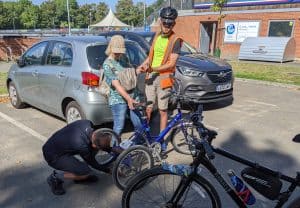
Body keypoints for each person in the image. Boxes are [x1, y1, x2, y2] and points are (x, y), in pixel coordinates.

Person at [42, 120, 119, 195]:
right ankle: (55, 177)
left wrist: (111, 149)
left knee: (90, 155)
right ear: (94, 145)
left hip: (58, 145)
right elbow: (92, 163)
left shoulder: (87, 123)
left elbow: (100, 145)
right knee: (85, 171)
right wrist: (109, 170)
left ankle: (79, 177)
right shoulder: (81, 145)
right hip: (53, 155)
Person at [138, 7, 182, 136]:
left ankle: (161, 139)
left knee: (163, 110)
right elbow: (150, 56)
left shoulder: (176, 40)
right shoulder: (156, 35)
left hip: (164, 78)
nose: (167, 26)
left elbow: (171, 63)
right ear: (160, 21)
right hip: (151, 76)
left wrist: (154, 68)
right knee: (149, 107)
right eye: (165, 23)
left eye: (170, 23)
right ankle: (145, 136)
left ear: (174, 23)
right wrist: (142, 66)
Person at [103, 35, 143, 137]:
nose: (118, 54)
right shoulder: (107, 64)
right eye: (116, 51)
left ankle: (137, 147)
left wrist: (138, 71)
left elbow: (129, 74)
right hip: (118, 99)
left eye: (120, 51)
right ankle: (113, 149)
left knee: (139, 124)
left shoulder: (124, 58)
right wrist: (128, 99)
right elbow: (117, 85)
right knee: (119, 127)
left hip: (133, 95)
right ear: (111, 48)